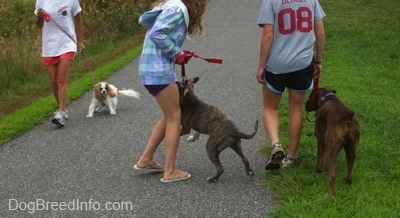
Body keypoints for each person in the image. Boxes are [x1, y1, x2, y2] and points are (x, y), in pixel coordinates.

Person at [133, 0, 208, 183]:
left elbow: (161, 35)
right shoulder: (176, 10)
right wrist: (177, 53)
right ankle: (170, 171)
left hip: (152, 69)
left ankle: (146, 159)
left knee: (169, 115)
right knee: (175, 117)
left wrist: (178, 54)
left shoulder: (170, 7)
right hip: (158, 71)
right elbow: (158, 34)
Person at [256, 0, 325, 170]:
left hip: (277, 64)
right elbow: (320, 32)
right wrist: (318, 60)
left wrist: (261, 65)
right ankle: (291, 158)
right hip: (302, 64)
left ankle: (275, 143)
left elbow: (268, 34)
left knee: (271, 108)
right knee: (296, 109)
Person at [35, 0, 85, 127]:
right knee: (53, 80)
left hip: (67, 43)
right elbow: (38, 25)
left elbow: (78, 20)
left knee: (61, 78)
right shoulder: (41, 1)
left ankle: (61, 112)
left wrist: (81, 41)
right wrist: (39, 17)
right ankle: (62, 109)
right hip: (49, 46)